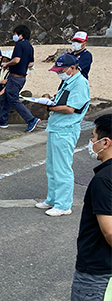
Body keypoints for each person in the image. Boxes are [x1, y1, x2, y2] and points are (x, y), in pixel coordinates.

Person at [27, 114, 112, 301]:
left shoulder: (103, 181)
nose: (91, 144)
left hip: (96, 266)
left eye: (93, 138)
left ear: (106, 142)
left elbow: (109, 231)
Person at [37, 54, 91, 217]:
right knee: (52, 166)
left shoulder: (80, 83)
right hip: (57, 128)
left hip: (66, 129)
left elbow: (70, 108)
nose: (59, 73)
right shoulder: (69, 81)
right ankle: (53, 198)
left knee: (62, 167)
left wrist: (49, 108)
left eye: (61, 70)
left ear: (73, 68)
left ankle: (63, 204)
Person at [0, 25, 40, 132]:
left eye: (15, 34)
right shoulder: (30, 46)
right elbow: (31, 63)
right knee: (6, 98)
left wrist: (7, 64)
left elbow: (16, 59)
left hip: (15, 77)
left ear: (20, 35)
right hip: (21, 77)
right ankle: (2, 120)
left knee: (13, 100)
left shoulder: (19, 45)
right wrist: (23, 66)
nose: (14, 36)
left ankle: (31, 119)